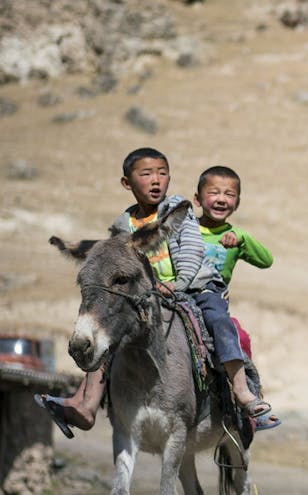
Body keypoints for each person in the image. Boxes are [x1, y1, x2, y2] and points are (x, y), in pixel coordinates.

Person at [36, 148, 271, 438]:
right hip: (151, 293)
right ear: (127, 183)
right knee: (113, 329)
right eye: (147, 174)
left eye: (162, 173)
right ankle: (86, 404)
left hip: (195, 287)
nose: (156, 180)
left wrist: (180, 283)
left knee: (220, 323)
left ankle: (241, 391)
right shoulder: (124, 225)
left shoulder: (177, 211)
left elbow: (191, 251)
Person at [193, 165, 279, 431]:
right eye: (214, 192)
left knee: (232, 331)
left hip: (211, 296)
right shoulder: (186, 229)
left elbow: (266, 260)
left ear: (237, 203)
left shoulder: (235, 236)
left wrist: (241, 238)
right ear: (197, 200)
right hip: (179, 291)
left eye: (229, 194)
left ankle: (246, 396)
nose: (221, 198)